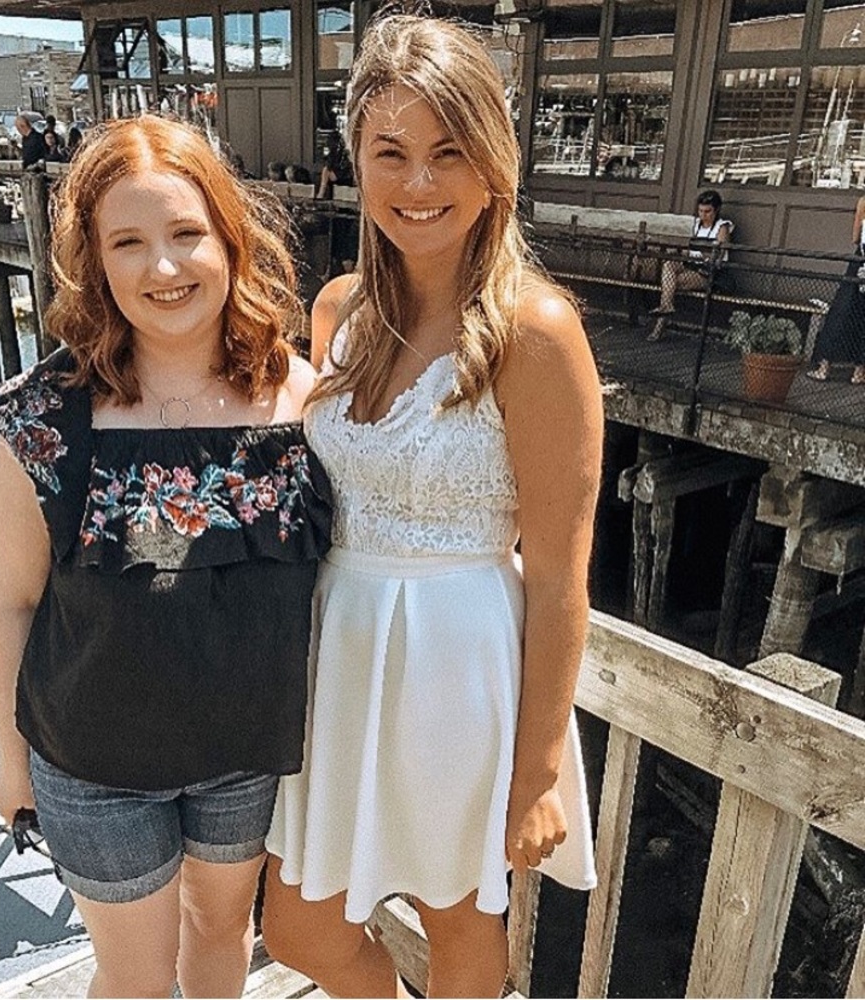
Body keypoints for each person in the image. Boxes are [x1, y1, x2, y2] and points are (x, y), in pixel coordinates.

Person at [262, 15, 601, 997]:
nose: (418, 184)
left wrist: (538, 768)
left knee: (460, 910)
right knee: (299, 928)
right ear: (355, 160)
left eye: (448, 153)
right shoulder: (338, 311)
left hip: (461, 656)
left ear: (494, 162)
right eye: (391, 153)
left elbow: (559, 572)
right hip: (339, 652)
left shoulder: (533, 333)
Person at [0, 115, 332, 998]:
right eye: (129, 242)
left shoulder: (302, 399)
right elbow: (13, 599)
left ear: (228, 237)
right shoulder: (40, 419)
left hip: (246, 749)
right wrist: (9, 757)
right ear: (95, 263)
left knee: (220, 938)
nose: (164, 268)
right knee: (134, 980)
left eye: (186, 234)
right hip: (94, 760)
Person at [650, 189, 733, 341]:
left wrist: (702, 252)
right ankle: (666, 308)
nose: (703, 215)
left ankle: (659, 326)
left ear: (716, 210)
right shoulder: (696, 225)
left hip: (707, 272)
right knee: (669, 265)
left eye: (707, 211)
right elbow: (690, 249)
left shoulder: (722, 227)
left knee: (670, 283)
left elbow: (718, 254)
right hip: (691, 265)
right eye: (700, 211)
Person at [806, 194, 865, 385]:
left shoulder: (864, 201)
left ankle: (825, 366)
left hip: (860, 261)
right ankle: (859, 371)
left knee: (843, 310)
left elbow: (855, 237)